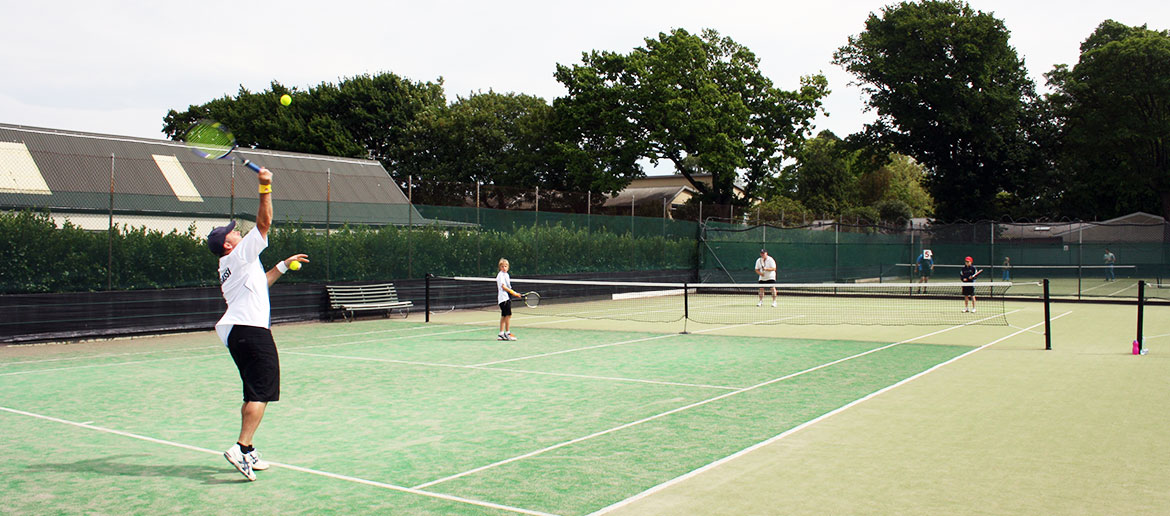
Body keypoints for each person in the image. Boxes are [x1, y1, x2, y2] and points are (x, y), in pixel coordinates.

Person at [208, 166, 308, 481]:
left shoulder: (233, 265)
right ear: (227, 244)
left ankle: (249, 450)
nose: (237, 232)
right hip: (251, 331)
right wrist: (265, 186)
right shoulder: (239, 255)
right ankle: (240, 448)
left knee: (252, 392)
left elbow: (260, 284)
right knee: (261, 393)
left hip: (238, 333)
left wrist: (283, 266)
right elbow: (264, 223)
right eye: (232, 232)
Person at [496, 258, 521, 341]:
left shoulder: (506, 275)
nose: (504, 268)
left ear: (508, 267)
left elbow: (508, 287)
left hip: (506, 298)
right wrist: (513, 293)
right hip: (503, 299)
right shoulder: (500, 275)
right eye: (502, 266)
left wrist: (514, 293)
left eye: (505, 266)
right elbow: (503, 287)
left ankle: (501, 334)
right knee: (508, 315)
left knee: (504, 316)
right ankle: (507, 333)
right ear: (500, 267)